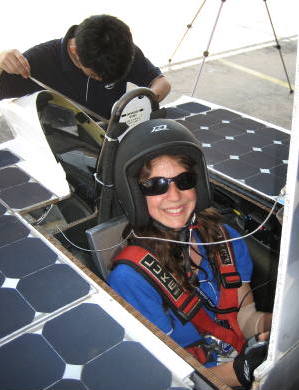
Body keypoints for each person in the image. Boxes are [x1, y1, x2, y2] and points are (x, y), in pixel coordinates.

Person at [108, 118, 272, 388]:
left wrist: (274, 328)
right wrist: (241, 371)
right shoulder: (131, 279)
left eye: (184, 180)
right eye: (156, 185)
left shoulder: (225, 241)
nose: (174, 196)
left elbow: (243, 316)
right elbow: (172, 378)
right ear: (136, 195)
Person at [0, 15, 170, 119]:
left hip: (113, 137)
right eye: (96, 76)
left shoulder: (120, 49)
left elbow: (161, 82)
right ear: (75, 52)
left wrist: (140, 108)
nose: (104, 81)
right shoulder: (38, 61)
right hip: (61, 152)